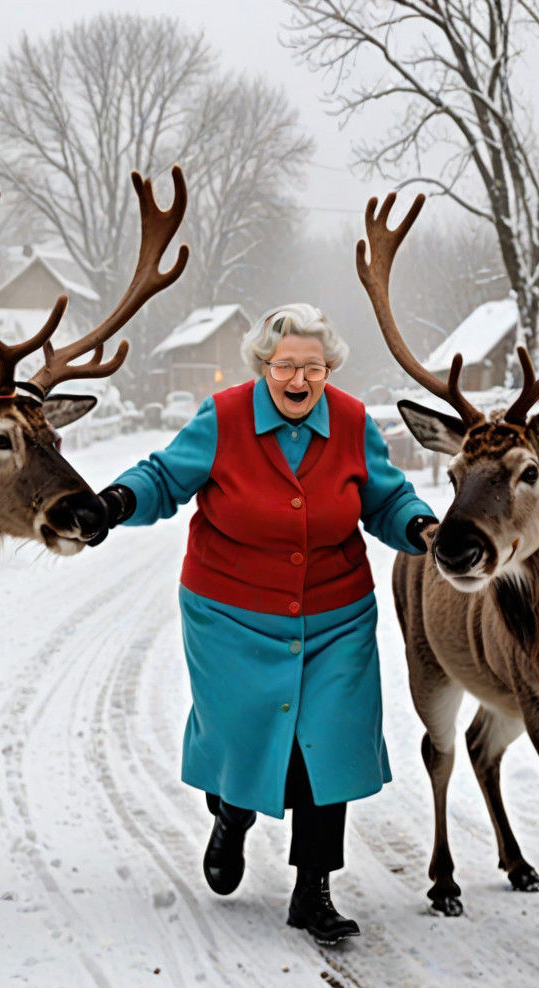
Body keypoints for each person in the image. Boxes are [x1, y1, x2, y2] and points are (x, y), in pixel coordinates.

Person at [90, 303, 437, 943]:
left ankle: (313, 892)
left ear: (329, 368)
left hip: (335, 615)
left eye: (312, 366)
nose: (299, 379)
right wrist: (115, 503)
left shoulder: (356, 423)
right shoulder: (223, 419)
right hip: (231, 611)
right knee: (244, 735)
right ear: (263, 367)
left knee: (326, 746)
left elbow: (386, 497)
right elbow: (164, 477)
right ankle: (231, 815)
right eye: (285, 366)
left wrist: (419, 525)